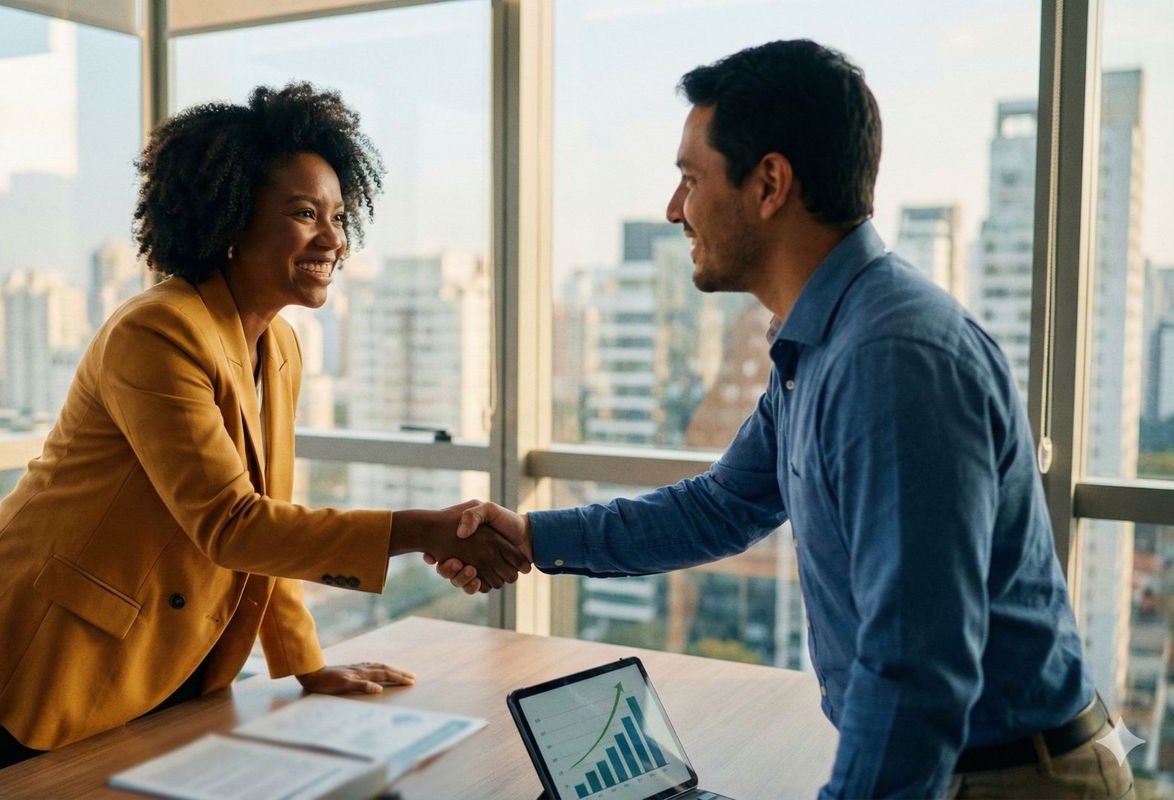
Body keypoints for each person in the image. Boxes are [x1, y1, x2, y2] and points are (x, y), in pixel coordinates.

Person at [433, 41, 1132, 799]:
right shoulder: (824, 340)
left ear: (769, 184)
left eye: (690, 179)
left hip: (1010, 782)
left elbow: (913, 671)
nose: (674, 209)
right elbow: (722, 507)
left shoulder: (892, 358)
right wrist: (535, 539)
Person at [0, 83, 529, 782]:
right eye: (305, 214)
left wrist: (305, 665)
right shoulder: (157, 331)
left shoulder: (279, 347)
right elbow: (232, 524)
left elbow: (269, 528)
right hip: (45, 647)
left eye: (337, 216)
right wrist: (424, 528)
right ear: (233, 220)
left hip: (162, 655)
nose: (332, 239)